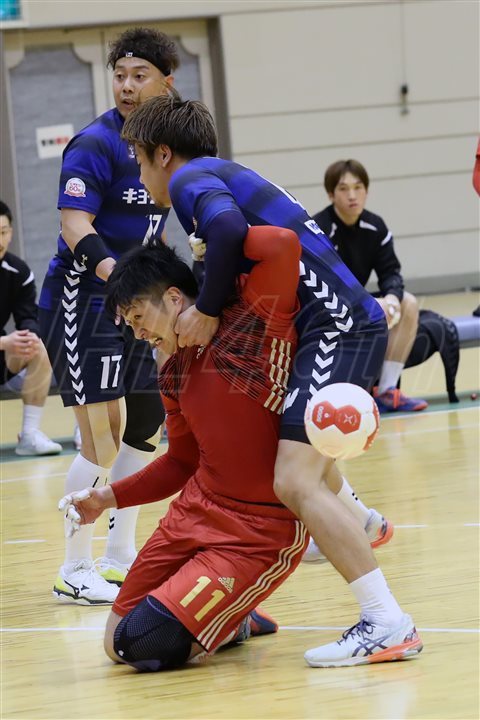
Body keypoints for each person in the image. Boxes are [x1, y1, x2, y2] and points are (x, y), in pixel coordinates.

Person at [119, 95, 423, 668]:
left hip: (335, 326)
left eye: (138, 161)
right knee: (299, 461)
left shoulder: (189, 181)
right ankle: (359, 520)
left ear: (163, 153)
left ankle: (386, 621)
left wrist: (208, 309)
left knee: (293, 479)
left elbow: (232, 229)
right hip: (330, 327)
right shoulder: (219, 175)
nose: (139, 176)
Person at [59, 226, 308, 671]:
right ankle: (232, 618)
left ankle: (227, 614)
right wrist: (106, 497)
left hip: (257, 532)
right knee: (116, 642)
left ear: (174, 298)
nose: (138, 334)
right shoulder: (172, 370)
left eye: (139, 317)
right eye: (130, 324)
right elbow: (180, 462)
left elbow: (282, 244)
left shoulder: (248, 325)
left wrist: (210, 241)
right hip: (194, 513)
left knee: (140, 643)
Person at [38, 28, 179, 605]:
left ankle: (119, 558)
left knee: (145, 424)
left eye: (139, 75)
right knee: (101, 436)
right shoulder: (93, 144)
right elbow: (76, 225)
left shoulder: (168, 143)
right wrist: (118, 279)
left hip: (135, 301)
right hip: (83, 299)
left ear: (166, 82)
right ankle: (74, 568)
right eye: (119, 75)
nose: (126, 85)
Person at [312, 160, 427, 414]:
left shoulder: (376, 227)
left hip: (360, 303)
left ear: (367, 190)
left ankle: (386, 391)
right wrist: (367, 303)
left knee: (408, 303)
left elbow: (391, 273)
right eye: (343, 189)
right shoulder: (319, 229)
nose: (352, 195)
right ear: (331, 194)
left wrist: (392, 299)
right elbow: (324, 284)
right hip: (326, 306)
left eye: (358, 187)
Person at [0, 200, 62, 456]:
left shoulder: (18, 271)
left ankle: (29, 434)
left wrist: (27, 337)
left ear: (11, 233)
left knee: (37, 348)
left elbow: (28, 317)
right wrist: (4, 342)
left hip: (3, 351)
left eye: (3, 232)